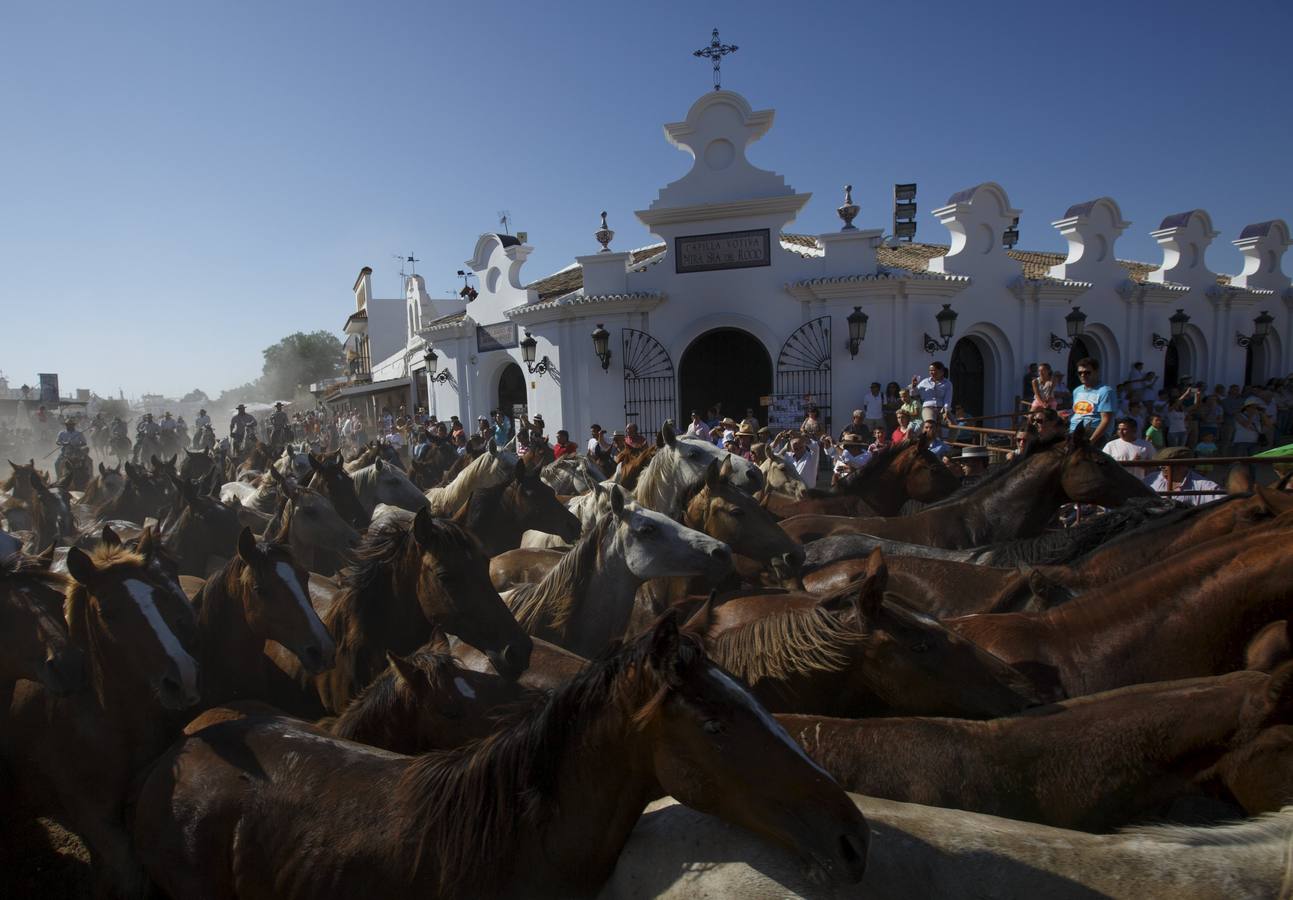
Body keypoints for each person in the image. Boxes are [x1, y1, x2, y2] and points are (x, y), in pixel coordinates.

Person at [1146, 446, 1223, 506]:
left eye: (1169, 465)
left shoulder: (1205, 486)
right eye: (1161, 465)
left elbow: (1222, 503)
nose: (1163, 468)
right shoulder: (1151, 479)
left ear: (1183, 465)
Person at [1068, 357, 1114, 444]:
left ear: (1096, 372)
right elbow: (1077, 412)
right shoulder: (1077, 390)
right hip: (1074, 430)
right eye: (1080, 373)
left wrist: (1090, 441)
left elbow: (1106, 420)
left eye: (1087, 372)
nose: (1083, 375)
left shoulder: (1105, 391)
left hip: (1093, 431)